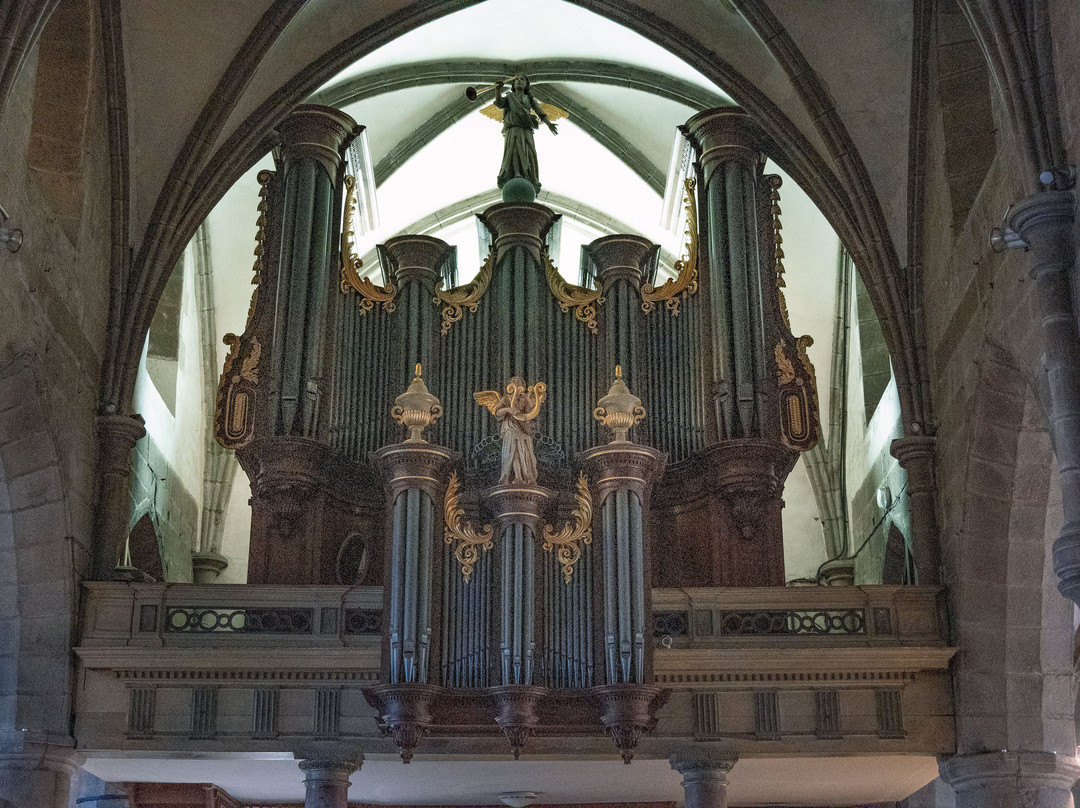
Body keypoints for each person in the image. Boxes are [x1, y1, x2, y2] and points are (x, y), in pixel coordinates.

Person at [475, 377, 547, 485]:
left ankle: (527, 476)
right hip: (510, 428)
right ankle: (517, 477)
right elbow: (497, 412)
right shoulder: (506, 399)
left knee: (525, 453)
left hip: (523, 429)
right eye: (514, 383)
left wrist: (528, 398)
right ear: (510, 387)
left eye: (519, 384)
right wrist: (508, 409)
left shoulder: (524, 398)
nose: (517, 386)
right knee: (513, 452)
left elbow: (532, 411)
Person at [493, 75, 558, 192]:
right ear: (512, 85)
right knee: (513, 150)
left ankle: (527, 174)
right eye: (516, 79)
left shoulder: (529, 98)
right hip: (512, 128)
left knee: (527, 151)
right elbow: (499, 103)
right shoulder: (509, 97)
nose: (519, 80)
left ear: (527, 85)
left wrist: (549, 124)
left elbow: (540, 112)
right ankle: (517, 173)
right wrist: (497, 90)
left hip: (526, 129)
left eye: (522, 79)